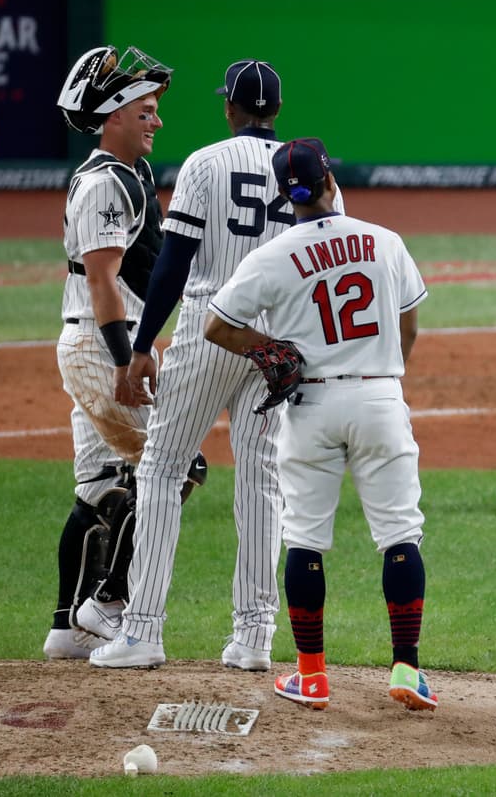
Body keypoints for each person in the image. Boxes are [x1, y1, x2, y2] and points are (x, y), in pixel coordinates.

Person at [87, 61, 342, 670]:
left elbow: (173, 262)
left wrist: (143, 344)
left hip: (210, 328)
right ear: (276, 111)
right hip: (279, 343)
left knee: (161, 470)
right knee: (262, 479)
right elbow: (329, 261)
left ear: (230, 108)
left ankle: (142, 630)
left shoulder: (205, 162)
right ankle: (254, 638)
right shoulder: (310, 168)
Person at [204, 137, 437, 712]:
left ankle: (311, 676)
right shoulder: (385, 241)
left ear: (287, 198)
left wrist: (269, 346)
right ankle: (406, 667)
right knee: (400, 534)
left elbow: (217, 327)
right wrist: (383, 370)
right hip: (380, 397)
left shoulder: (272, 255)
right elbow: (408, 326)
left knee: (305, 538)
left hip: (309, 405)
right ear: (331, 181)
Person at [44, 45, 178, 660]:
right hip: (100, 343)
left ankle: (66, 629)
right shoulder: (102, 183)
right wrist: (127, 358)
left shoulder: (134, 178)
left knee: (100, 488)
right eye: (145, 111)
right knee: (175, 469)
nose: (156, 121)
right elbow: (103, 280)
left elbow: (149, 266)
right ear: (115, 115)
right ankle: (110, 603)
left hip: (98, 340)